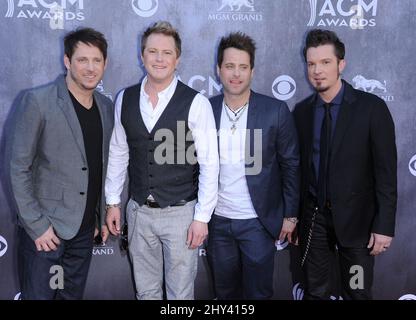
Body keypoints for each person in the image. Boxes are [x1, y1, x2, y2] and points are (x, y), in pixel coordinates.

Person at [105, 21, 219, 300]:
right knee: (146, 293)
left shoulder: (196, 103)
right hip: (139, 213)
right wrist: (112, 202)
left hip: (181, 214)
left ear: (177, 59)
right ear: (142, 56)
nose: (159, 58)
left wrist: (202, 218)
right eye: (152, 51)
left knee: (180, 295)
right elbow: (119, 152)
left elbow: (210, 164)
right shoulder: (125, 98)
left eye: (167, 53)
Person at [9, 27, 113, 299]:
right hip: (46, 231)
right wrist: (37, 225)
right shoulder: (38, 102)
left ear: (105, 64)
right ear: (67, 61)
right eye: (82, 60)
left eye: (96, 60)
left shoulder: (105, 107)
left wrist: (100, 215)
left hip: (83, 232)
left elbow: (99, 165)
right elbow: (18, 167)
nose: (90, 68)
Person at [293, 29, 397, 300]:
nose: (317, 70)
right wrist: (295, 217)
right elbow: (299, 172)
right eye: (311, 63)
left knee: (357, 291)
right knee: (316, 292)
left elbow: (386, 173)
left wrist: (384, 225)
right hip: (314, 224)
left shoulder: (371, 109)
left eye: (325, 62)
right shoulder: (302, 113)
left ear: (341, 64)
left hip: (358, 228)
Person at [207, 32, 300, 300]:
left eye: (243, 67)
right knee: (224, 295)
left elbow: (291, 165)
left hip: (258, 223)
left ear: (252, 71)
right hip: (218, 223)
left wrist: (290, 214)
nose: (236, 74)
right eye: (229, 66)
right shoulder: (205, 109)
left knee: (258, 294)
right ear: (218, 69)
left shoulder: (275, 111)